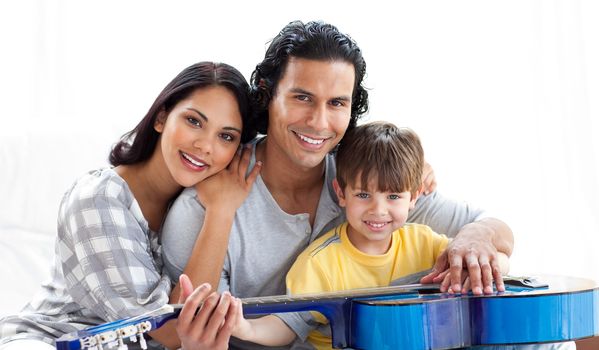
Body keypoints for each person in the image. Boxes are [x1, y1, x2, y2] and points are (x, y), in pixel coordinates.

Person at [162, 20, 515, 350]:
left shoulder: (365, 179)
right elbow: (193, 330)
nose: (319, 122)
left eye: (336, 103)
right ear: (268, 95)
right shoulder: (202, 209)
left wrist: (475, 237)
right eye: (302, 97)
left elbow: (498, 230)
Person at [0, 61, 261, 350]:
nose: (205, 145)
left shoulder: (192, 201)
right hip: (55, 340)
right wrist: (220, 213)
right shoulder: (98, 199)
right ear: (161, 118)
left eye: (226, 136)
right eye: (194, 121)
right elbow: (172, 331)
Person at [228, 121, 510, 349]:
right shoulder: (319, 264)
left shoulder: (426, 243)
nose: (378, 210)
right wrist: (246, 328)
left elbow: (498, 261)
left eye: (393, 196)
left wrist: (477, 268)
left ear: (413, 198)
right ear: (341, 193)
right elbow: (287, 325)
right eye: (363, 195)